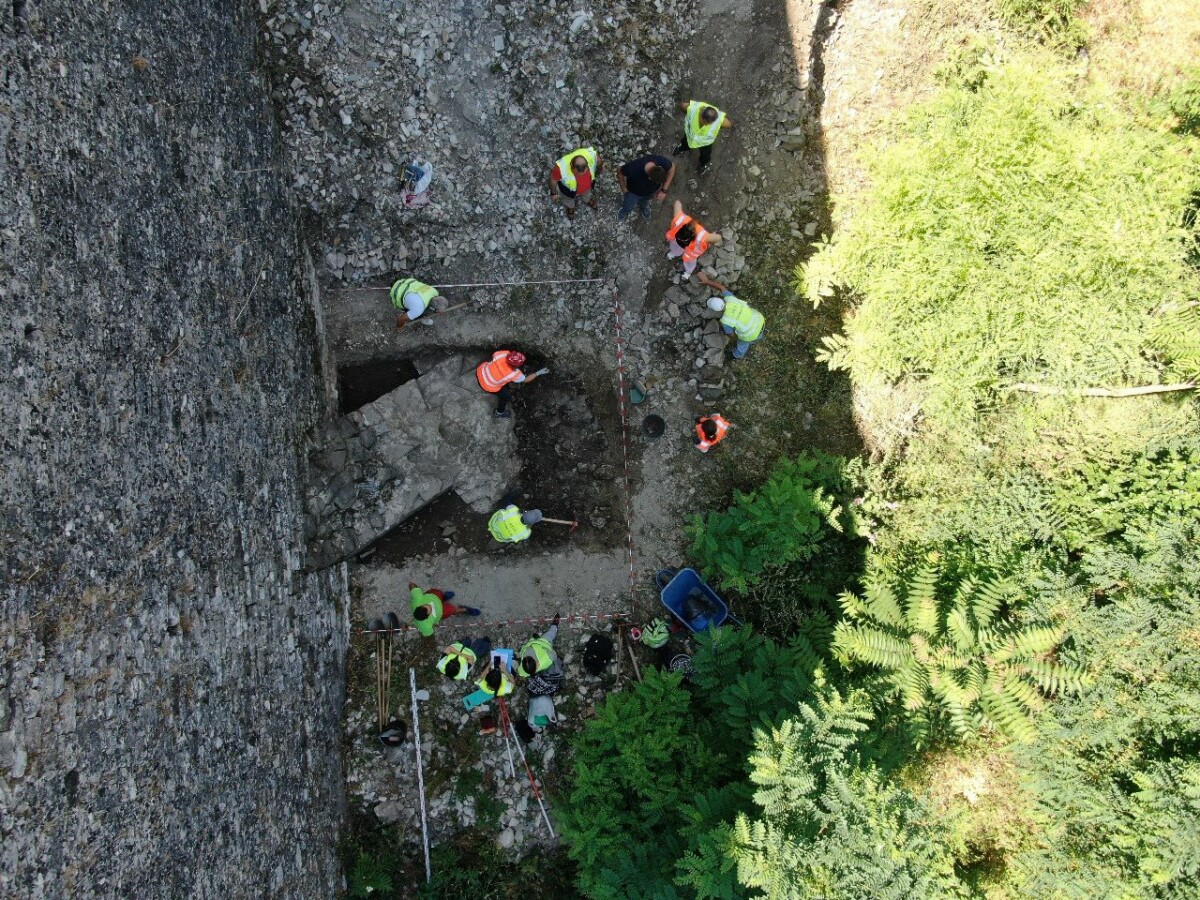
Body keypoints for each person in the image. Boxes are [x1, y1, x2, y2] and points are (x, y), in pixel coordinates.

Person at [700, 275, 764, 358]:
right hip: (760, 319)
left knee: (742, 344)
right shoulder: (731, 299)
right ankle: (760, 334)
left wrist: (737, 339)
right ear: (721, 299)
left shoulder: (725, 321)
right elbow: (720, 287)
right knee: (752, 323)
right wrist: (707, 281)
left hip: (751, 334)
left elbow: (732, 335)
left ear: (716, 310)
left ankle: (736, 355)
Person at [475, 349, 546, 419]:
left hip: (480, 372)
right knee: (506, 396)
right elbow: (525, 380)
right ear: (516, 366)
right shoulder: (514, 374)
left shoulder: (503, 354)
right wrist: (538, 373)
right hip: (487, 385)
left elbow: (494, 355)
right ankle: (499, 413)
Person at [665, 200, 722, 280]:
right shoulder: (701, 236)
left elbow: (677, 203)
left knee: (675, 248)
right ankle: (687, 272)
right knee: (690, 262)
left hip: (677, 242)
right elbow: (718, 237)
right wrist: (713, 235)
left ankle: (673, 254)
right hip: (691, 252)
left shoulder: (679, 221)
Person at [674, 101, 733, 174]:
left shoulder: (720, 121)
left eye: (710, 123)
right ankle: (682, 148)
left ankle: (703, 164)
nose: (707, 124)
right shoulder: (692, 108)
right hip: (690, 135)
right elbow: (682, 105)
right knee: (685, 143)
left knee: (705, 155)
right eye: (705, 122)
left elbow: (729, 125)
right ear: (701, 115)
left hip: (705, 142)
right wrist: (687, 113)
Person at [616, 153, 675, 222]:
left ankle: (644, 207)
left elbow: (672, 168)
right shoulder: (633, 168)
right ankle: (624, 211)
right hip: (633, 192)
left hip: (649, 193)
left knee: (645, 202)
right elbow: (619, 172)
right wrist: (624, 188)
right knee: (628, 206)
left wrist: (664, 190)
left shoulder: (661, 162)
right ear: (649, 178)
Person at [550, 146, 604, 219]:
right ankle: (571, 207)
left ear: (587, 165)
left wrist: (600, 168)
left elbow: (599, 160)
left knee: (587, 195)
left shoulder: (590, 155)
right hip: (567, 191)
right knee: (568, 200)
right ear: (572, 166)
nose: (581, 175)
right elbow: (553, 180)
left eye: (584, 171)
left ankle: (587, 199)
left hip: (587, 188)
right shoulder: (560, 167)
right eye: (578, 173)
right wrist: (553, 193)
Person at [410, 582, 480, 638]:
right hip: (441, 612)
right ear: (427, 617)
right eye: (430, 609)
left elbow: (412, 585)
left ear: (419, 606)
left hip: (434, 595)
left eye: (426, 605)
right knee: (452, 610)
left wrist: (414, 587)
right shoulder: (424, 625)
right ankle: (465, 610)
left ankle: (444, 597)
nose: (430, 606)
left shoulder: (417, 599)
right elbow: (428, 633)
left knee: (438, 592)